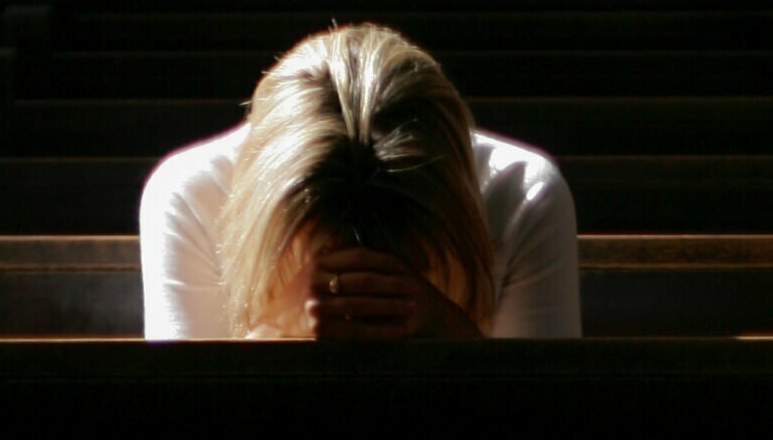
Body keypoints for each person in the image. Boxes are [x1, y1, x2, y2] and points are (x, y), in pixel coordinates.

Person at [139, 22, 582, 342]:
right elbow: (184, 426)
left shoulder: (523, 194)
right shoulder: (192, 195)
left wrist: (445, 329)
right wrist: (275, 332)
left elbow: (545, 427)